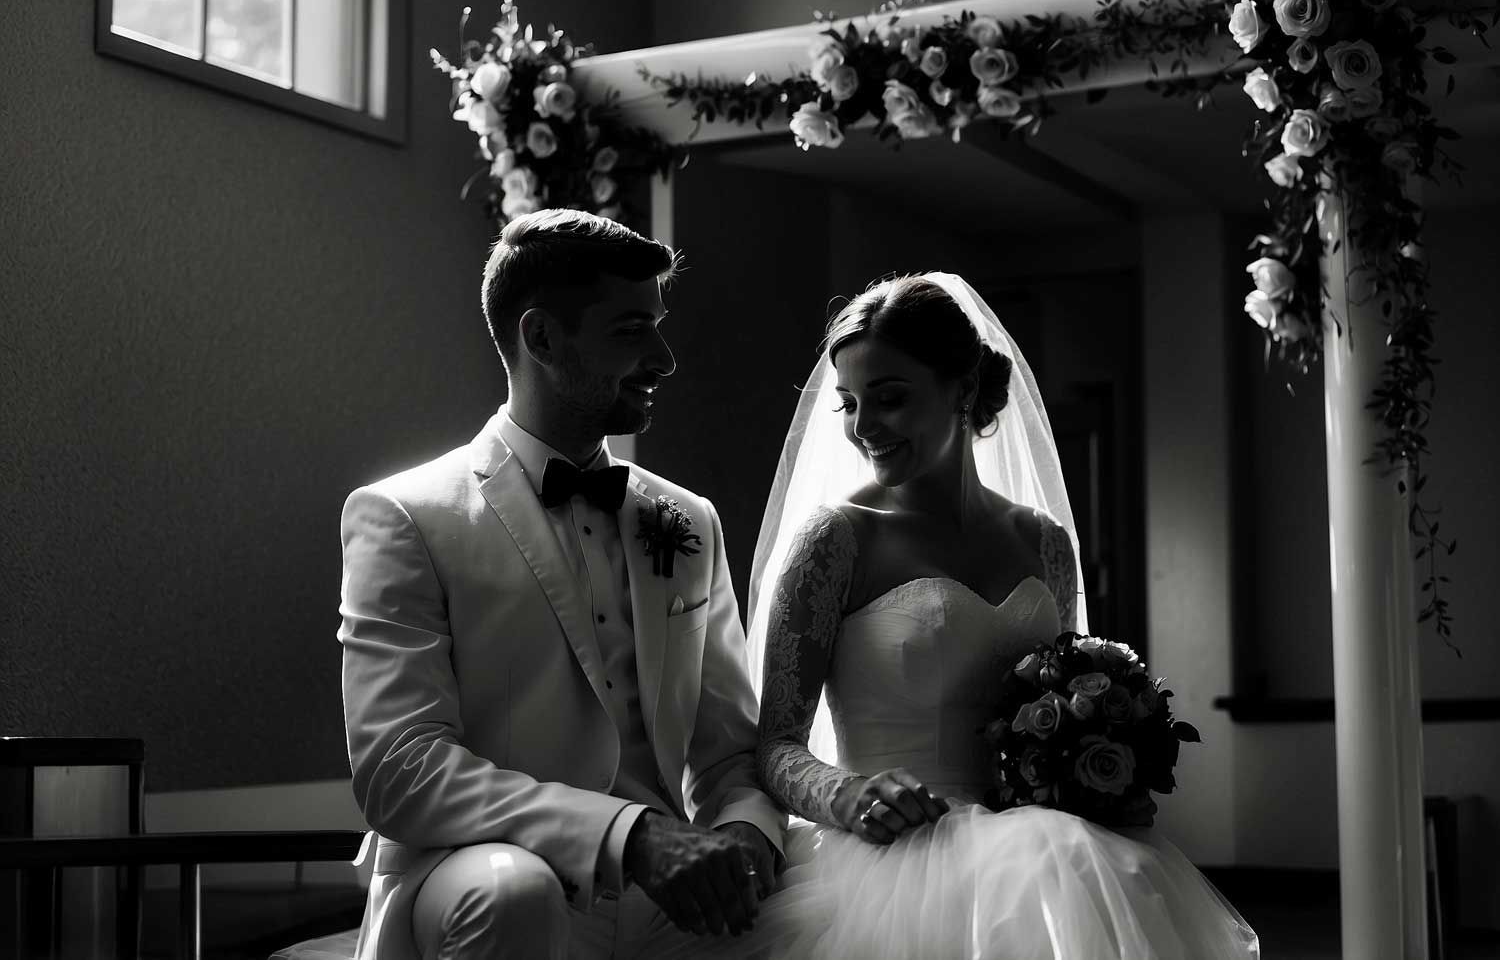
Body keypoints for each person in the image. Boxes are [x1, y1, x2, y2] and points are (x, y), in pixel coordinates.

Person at [734, 273, 1259, 958]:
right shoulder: (835, 540)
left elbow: (1055, 687)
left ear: (961, 389)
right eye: (849, 404)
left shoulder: (1044, 541)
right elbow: (775, 743)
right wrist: (847, 793)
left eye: (889, 399)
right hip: (883, 861)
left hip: (1036, 855)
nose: (864, 428)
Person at [337, 209, 784, 960]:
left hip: (665, 898)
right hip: (481, 870)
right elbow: (400, 768)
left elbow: (728, 752)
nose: (665, 359)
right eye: (630, 331)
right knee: (515, 890)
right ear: (541, 337)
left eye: (659, 326)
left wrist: (743, 828)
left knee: (814, 899)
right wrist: (625, 835)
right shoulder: (404, 515)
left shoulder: (687, 518)